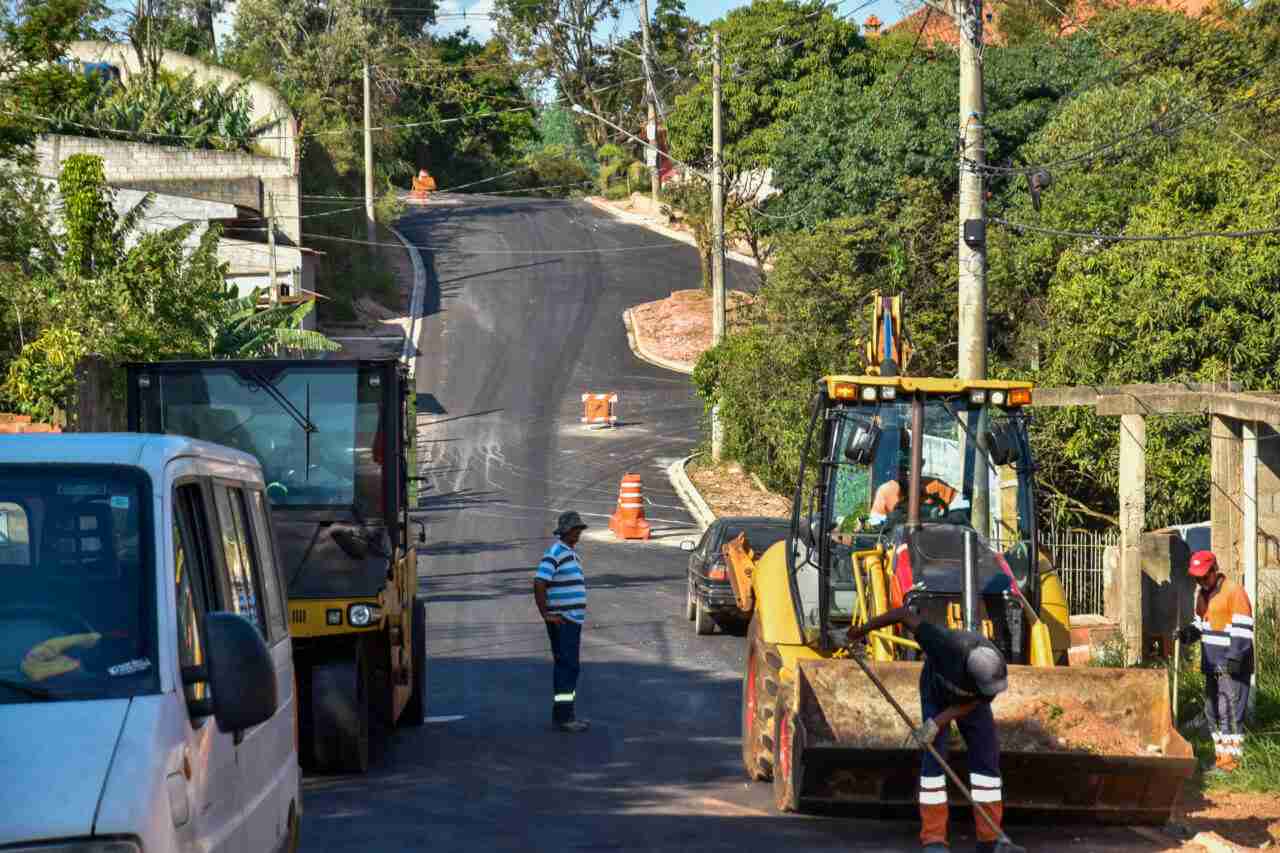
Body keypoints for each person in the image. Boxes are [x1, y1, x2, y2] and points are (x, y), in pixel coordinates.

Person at [849, 606, 1009, 853]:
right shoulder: (942, 645)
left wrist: (939, 722)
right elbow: (902, 614)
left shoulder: (994, 668)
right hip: (936, 691)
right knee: (934, 759)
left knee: (986, 761)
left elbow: (977, 700)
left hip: (967, 702)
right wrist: (859, 632)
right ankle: (934, 839)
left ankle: (990, 839)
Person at [1176, 550, 1254, 773]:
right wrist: (1188, 633)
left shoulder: (1234, 592)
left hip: (1232, 668)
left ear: (1214, 570)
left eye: (1204, 576)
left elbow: (1243, 631)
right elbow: (1202, 624)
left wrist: (1233, 660)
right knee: (1213, 713)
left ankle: (1230, 764)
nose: (1200, 581)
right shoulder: (1202, 595)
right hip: (1212, 666)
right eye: (1196, 578)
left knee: (1229, 714)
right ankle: (1221, 757)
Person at [534, 511, 590, 733]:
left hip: (571, 621)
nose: (579, 532)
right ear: (566, 531)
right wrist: (546, 613)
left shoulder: (570, 553)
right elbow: (540, 581)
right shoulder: (556, 552)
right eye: (576, 529)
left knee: (568, 666)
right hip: (563, 621)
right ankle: (565, 717)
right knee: (568, 666)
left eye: (579, 529)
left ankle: (564, 713)